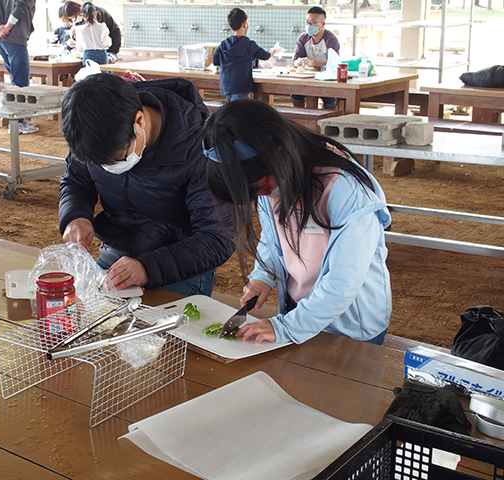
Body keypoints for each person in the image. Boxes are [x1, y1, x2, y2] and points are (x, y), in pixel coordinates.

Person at [201, 100, 391, 345]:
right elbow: (274, 238)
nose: (262, 195)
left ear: (278, 152)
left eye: (260, 188)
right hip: (299, 314)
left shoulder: (346, 189)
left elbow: (343, 283)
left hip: (350, 328)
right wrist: (263, 276)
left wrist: (287, 328)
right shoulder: (270, 177)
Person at [59, 73, 234, 296]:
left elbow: (216, 239)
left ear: (139, 121)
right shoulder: (90, 134)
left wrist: (148, 268)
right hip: (115, 262)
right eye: (98, 165)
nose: (108, 168)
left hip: (180, 269)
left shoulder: (200, 147)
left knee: (151, 328)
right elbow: (75, 181)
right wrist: (75, 216)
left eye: (116, 159)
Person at [0, 0, 38, 135]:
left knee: (15, 81)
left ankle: (19, 119)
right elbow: (21, 6)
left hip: (2, 39)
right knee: (21, 84)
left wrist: (0, 26)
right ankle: (17, 122)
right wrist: (7, 27)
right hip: (15, 38)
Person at [212, 8, 281, 102]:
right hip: (241, 85)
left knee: (232, 109)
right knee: (237, 112)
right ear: (244, 23)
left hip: (226, 84)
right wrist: (275, 50)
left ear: (231, 26)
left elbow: (215, 60)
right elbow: (266, 56)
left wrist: (229, 66)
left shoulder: (224, 44)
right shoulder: (249, 45)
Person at [292, 6, 340, 110]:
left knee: (330, 100)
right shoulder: (303, 38)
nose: (309, 25)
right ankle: (300, 119)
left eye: (313, 22)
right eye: (307, 22)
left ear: (322, 24)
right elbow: (294, 61)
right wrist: (299, 62)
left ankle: (327, 122)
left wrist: (312, 63)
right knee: (295, 95)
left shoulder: (331, 39)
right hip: (307, 77)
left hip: (327, 78)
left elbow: (333, 64)